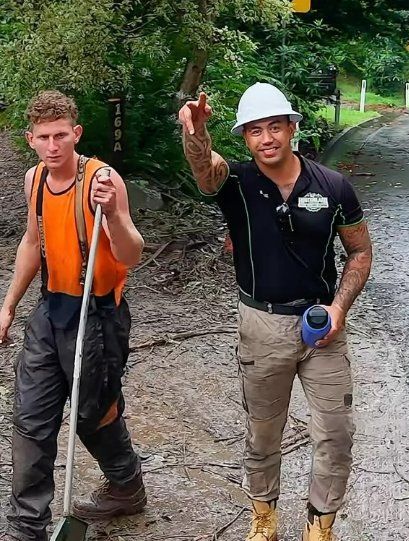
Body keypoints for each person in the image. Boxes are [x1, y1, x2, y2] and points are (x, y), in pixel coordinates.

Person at [179, 82, 372, 541]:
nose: (266, 139)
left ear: (292, 128)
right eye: (254, 131)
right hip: (261, 325)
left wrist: (339, 307)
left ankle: (319, 527)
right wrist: (195, 133)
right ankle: (264, 519)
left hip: (322, 326)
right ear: (245, 138)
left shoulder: (333, 187)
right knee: (263, 433)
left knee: (336, 435)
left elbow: (360, 252)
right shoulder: (238, 183)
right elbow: (206, 170)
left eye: (275, 127)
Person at [0, 90, 146, 541]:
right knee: (31, 416)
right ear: (31, 140)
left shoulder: (102, 179)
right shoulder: (35, 180)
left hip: (99, 313)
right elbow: (31, 243)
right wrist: (7, 306)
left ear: (75, 133)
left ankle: (125, 484)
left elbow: (132, 253)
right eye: (43, 137)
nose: (53, 145)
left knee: (92, 412)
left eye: (61, 135)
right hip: (51, 309)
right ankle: (28, 527)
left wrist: (113, 213)